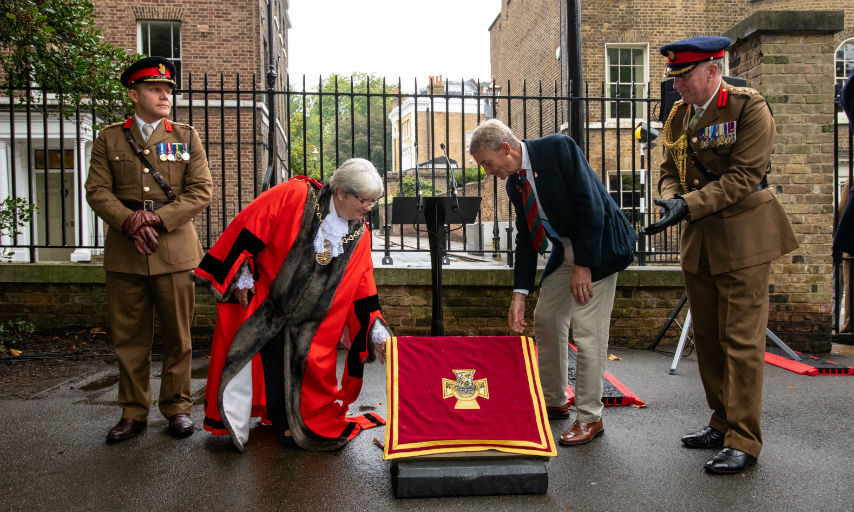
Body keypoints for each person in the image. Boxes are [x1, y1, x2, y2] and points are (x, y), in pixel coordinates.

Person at [644, 36, 798, 474]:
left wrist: (686, 206)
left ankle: (744, 439)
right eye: (674, 78)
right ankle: (721, 421)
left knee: (741, 342)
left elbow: (743, 178)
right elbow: (669, 171)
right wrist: (671, 199)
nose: (677, 86)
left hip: (744, 241)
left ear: (713, 70)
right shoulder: (678, 116)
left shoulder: (747, 108)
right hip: (700, 243)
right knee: (708, 339)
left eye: (685, 76)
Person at [192, 158, 392, 452]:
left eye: (373, 202)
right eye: (364, 200)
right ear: (340, 193)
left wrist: (374, 326)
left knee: (309, 372)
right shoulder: (295, 195)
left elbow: (363, 280)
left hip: (316, 322)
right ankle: (281, 420)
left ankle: (296, 421)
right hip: (271, 302)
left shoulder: (358, 232)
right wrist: (243, 273)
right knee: (270, 359)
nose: (367, 208)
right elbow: (251, 225)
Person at [469, 119, 637, 447]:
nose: (487, 171)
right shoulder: (514, 184)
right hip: (566, 251)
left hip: (599, 245)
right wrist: (520, 293)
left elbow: (592, 209)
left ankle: (590, 417)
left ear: (506, 148)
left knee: (588, 331)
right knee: (546, 318)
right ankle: (554, 399)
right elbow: (527, 237)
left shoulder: (558, 150)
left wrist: (584, 266)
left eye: (487, 163)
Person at [85, 56, 213, 442]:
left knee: (178, 335)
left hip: (174, 249)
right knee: (129, 337)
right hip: (126, 250)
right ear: (134, 94)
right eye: (156, 89)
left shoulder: (185, 137)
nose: (165, 96)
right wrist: (129, 221)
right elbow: (97, 191)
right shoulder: (110, 137)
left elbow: (201, 190)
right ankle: (133, 412)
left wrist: (155, 219)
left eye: (168, 90)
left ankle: (177, 407)